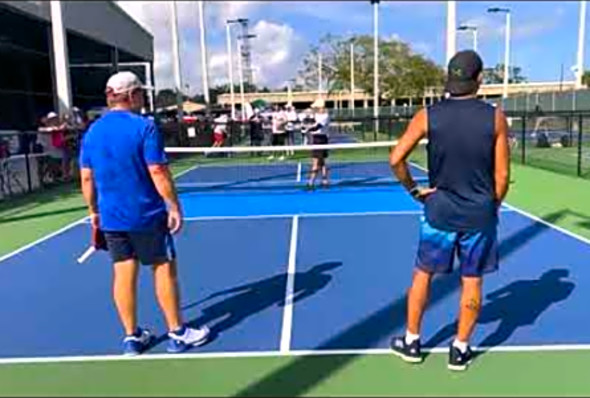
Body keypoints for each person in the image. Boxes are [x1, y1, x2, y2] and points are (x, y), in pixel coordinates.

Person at [388, 50, 510, 371]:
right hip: (479, 216)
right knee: (472, 281)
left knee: (423, 275)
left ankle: (412, 341)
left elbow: (395, 159)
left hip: (438, 212)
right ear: (480, 79)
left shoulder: (427, 115)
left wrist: (415, 192)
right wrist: (490, 207)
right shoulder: (495, 117)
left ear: (450, 79)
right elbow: (502, 176)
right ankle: (460, 349)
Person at [79, 71, 210, 356]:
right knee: (163, 267)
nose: (142, 97)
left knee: (123, 273)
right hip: (146, 215)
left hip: (112, 218)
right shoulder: (144, 127)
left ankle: (132, 338)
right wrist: (173, 205)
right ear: (130, 96)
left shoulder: (93, 131)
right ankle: (178, 333)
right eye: (140, 92)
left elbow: (86, 178)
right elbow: (157, 170)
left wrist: (93, 212)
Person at [306, 99, 331, 189]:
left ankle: (311, 182)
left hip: (320, 139)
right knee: (322, 162)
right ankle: (325, 181)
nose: (315, 109)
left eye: (316, 107)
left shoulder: (325, 116)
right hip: (316, 138)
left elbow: (317, 127)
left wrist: (307, 129)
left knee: (316, 162)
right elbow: (309, 121)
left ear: (321, 107)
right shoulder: (316, 115)